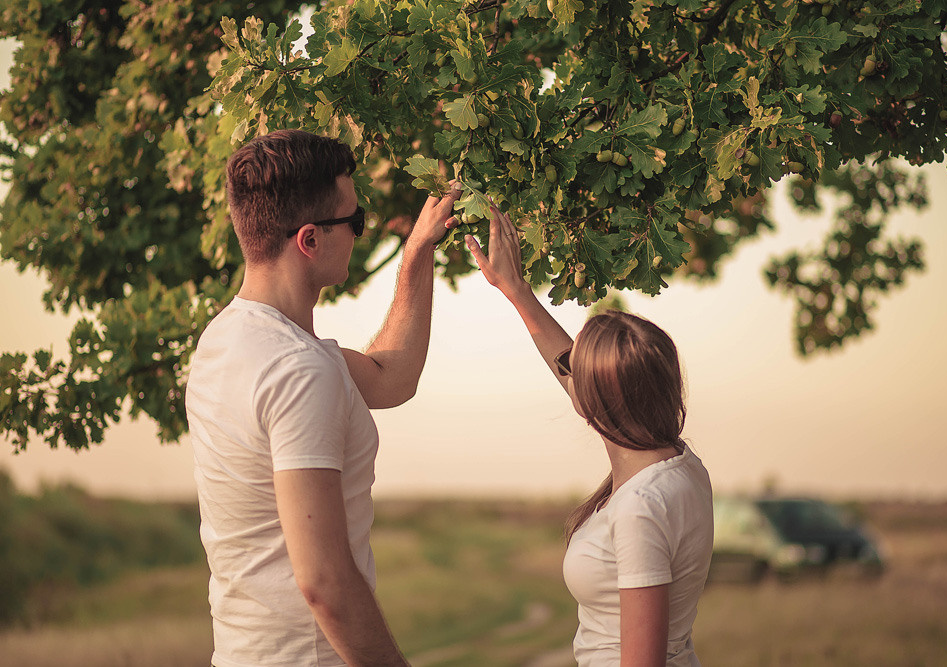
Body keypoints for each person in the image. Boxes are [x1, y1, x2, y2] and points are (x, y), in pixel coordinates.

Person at [185, 129, 461, 667]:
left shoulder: (222, 341)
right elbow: (325, 582)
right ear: (309, 240)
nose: (360, 233)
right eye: (354, 222)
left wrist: (417, 254)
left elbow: (389, 376)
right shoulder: (299, 370)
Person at [465, 207, 714, 666]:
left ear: (601, 402)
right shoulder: (679, 465)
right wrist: (515, 289)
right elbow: (572, 366)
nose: (567, 370)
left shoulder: (642, 507)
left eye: (576, 371)